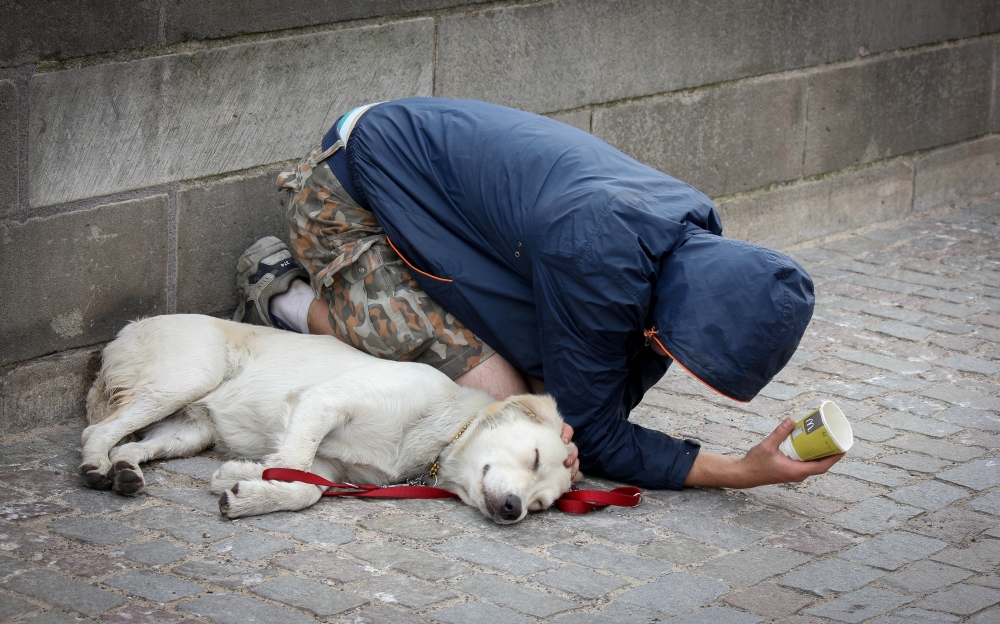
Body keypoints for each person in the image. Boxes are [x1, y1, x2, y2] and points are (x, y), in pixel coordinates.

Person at [233, 97, 843, 490]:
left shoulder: (692, 239)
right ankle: (283, 293)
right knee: (499, 398)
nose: (681, 361)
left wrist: (583, 418)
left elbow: (613, 383)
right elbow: (596, 433)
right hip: (347, 196)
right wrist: (739, 471)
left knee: (540, 407)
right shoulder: (600, 254)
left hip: (428, 202)